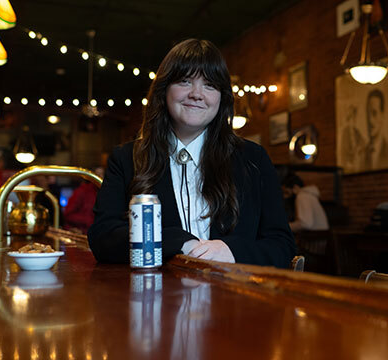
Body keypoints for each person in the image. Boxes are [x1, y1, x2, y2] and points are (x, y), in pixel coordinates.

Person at [87, 39, 295, 268]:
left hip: (236, 298)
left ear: (221, 97)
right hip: (156, 297)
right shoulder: (127, 159)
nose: (197, 94)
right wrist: (179, 242)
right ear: (164, 90)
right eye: (185, 81)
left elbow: (282, 246)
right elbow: (102, 238)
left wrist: (232, 250)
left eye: (210, 85)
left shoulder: (253, 158)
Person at [365, 89, 388, 170]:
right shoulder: (361, 156)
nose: (370, 120)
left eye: (374, 113)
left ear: (382, 115)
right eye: (368, 114)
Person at [64, 167, 104, 233]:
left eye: (101, 174)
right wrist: (89, 221)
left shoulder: (107, 193)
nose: (99, 177)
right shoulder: (82, 191)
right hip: (80, 233)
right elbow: (68, 214)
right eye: (96, 175)